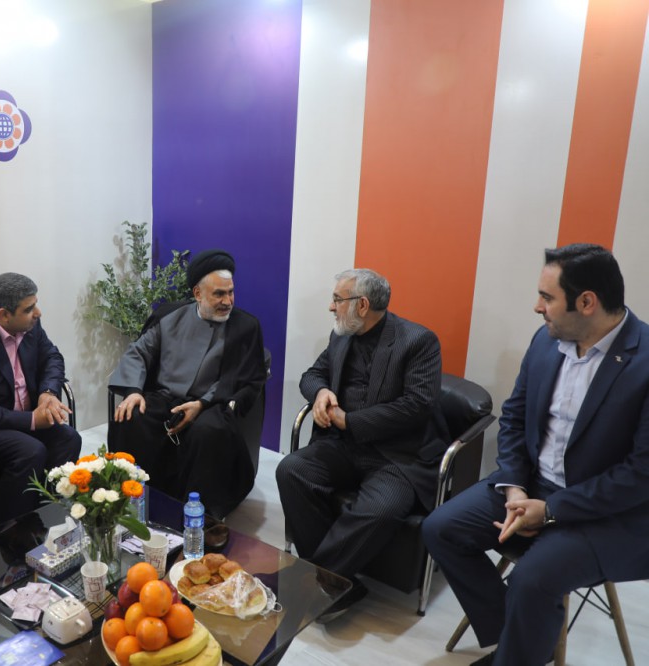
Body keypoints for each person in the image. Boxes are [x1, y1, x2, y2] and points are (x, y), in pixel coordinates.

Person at [423, 244, 649, 666]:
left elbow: (640, 475)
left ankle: (519, 650)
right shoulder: (546, 342)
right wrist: (514, 489)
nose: (537, 307)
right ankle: (522, 644)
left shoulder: (645, 361)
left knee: (533, 578)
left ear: (587, 302)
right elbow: (513, 418)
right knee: (440, 528)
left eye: (547, 297)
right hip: (530, 486)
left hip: (607, 513)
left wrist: (549, 511)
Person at [276, 269, 448, 621]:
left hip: (396, 456)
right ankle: (339, 585)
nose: (331, 307)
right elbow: (313, 375)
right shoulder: (342, 335)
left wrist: (349, 421)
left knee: (381, 509)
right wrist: (321, 393)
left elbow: (417, 406)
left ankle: (315, 581)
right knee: (291, 470)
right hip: (342, 445)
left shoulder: (418, 341)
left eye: (337, 299)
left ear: (363, 305)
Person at [108, 249, 267, 519]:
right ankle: (132, 498)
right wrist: (134, 391)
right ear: (197, 294)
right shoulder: (169, 316)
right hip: (165, 398)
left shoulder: (246, 327)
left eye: (230, 293)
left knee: (208, 433)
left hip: (211, 404)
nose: (228, 301)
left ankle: (200, 516)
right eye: (219, 294)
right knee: (131, 416)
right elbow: (139, 352)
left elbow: (243, 376)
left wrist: (202, 403)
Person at [0, 273, 81, 526]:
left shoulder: (30, 327)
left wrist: (48, 393)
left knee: (69, 438)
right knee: (30, 451)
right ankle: (8, 530)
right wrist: (31, 420)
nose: (38, 313)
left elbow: (52, 357)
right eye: (29, 309)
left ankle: (48, 520)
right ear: (4, 314)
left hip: (24, 419)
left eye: (35, 304)